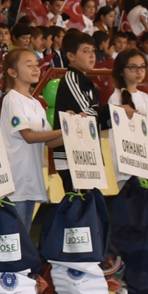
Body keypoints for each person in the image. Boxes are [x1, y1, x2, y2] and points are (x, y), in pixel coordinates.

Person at [0, 48, 59, 228]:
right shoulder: (12, 99)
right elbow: (29, 136)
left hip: (31, 179)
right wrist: (63, 131)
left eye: (36, 64)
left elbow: (50, 141)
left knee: (24, 234)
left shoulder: (35, 103)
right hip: (16, 180)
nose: (35, 68)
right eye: (29, 65)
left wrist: (76, 129)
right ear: (12, 72)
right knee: (15, 236)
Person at [51, 30, 108, 196]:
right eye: (85, 51)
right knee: (78, 204)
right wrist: (114, 111)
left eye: (93, 51)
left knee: (88, 202)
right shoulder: (71, 78)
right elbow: (88, 113)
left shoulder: (86, 81)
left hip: (86, 153)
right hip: (72, 156)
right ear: (71, 56)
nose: (92, 55)